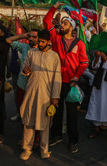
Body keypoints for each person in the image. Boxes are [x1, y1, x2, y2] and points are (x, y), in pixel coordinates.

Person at [43, 1, 89, 153]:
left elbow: (84, 63)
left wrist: (76, 77)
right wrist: (55, 6)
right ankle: (57, 135)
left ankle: (73, 141)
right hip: (56, 81)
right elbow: (46, 21)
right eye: (61, 23)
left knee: (72, 115)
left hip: (71, 84)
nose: (61, 25)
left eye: (65, 23)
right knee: (56, 110)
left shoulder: (80, 44)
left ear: (71, 27)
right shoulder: (56, 38)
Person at [19, 29, 62, 160]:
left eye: (43, 42)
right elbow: (25, 69)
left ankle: (44, 149)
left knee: (44, 124)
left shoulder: (54, 56)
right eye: (39, 41)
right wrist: (25, 71)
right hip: (31, 92)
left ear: (49, 42)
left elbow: (57, 78)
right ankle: (27, 149)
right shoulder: (32, 53)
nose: (40, 44)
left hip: (46, 95)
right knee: (29, 121)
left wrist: (55, 97)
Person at [6, 29, 39, 121]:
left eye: (34, 37)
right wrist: (23, 36)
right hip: (22, 84)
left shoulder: (42, 51)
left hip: (35, 85)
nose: (31, 39)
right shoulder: (24, 47)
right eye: (30, 37)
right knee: (22, 107)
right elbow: (8, 40)